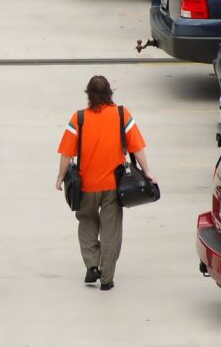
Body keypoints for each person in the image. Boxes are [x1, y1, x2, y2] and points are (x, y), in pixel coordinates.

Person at [56, 75, 156, 291]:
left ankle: (92, 265)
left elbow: (66, 153)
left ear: (88, 94)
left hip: (86, 186)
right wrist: (147, 172)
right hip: (113, 186)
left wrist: (59, 177)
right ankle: (107, 278)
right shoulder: (122, 115)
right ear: (110, 92)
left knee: (87, 223)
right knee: (111, 231)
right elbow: (136, 147)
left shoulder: (78, 118)